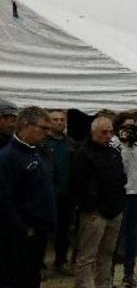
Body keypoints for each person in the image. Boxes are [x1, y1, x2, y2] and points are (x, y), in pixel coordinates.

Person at [0, 107, 61, 288]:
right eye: (43, 129)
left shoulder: (36, 153)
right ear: (25, 126)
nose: (48, 134)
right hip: (17, 239)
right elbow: (4, 202)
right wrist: (22, 230)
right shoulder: (8, 157)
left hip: (38, 235)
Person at [72, 116, 128, 288]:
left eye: (110, 131)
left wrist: (118, 202)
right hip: (95, 213)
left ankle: (104, 286)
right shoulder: (83, 154)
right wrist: (91, 208)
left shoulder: (113, 152)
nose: (108, 135)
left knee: (107, 251)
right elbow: (79, 186)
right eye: (103, 132)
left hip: (114, 209)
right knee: (87, 255)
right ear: (93, 132)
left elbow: (121, 177)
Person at [111, 112, 137, 288]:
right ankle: (108, 276)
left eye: (132, 126)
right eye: (126, 126)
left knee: (133, 236)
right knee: (115, 237)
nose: (130, 130)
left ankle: (129, 274)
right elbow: (122, 169)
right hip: (122, 194)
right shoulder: (114, 144)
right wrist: (125, 144)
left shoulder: (136, 144)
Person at [44, 109, 77, 275]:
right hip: (46, 194)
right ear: (48, 122)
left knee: (63, 230)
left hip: (66, 194)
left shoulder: (70, 143)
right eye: (55, 119)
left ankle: (61, 261)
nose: (59, 122)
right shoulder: (42, 143)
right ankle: (39, 266)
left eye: (62, 119)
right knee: (43, 230)